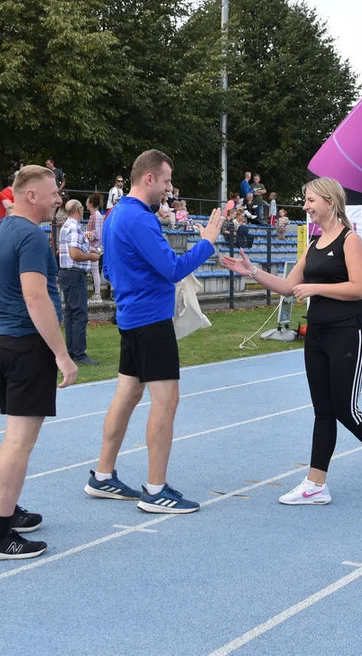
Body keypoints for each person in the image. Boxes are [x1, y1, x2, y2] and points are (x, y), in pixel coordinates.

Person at [222, 177, 362, 505]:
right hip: (318, 333)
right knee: (323, 411)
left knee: (345, 409)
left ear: (329, 202)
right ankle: (316, 484)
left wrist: (317, 289)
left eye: (310, 200)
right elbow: (287, 287)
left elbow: (361, 288)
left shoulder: (351, 241)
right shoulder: (314, 245)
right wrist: (252, 271)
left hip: (349, 331)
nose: (305, 206)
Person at [83, 149, 223, 513]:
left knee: (127, 395)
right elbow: (172, 268)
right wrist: (207, 241)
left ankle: (102, 475)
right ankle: (155, 489)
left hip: (132, 318)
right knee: (166, 400)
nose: (168, 189)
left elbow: (111, 271)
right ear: (148, 178)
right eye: (164, 181)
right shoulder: (139, 219)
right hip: (149, 321)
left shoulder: (116, 216)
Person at [0, 165, 77, 561]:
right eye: (52, 193)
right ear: (30, 195)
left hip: (2, 341)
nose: (57, 200)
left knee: (16, 436)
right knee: (19, 440)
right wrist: (62, 355)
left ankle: (9, 510)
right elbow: (36, 299)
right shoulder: (31, 236)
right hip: (25, 344)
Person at [58, 199, 100, 366]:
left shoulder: (66, 226)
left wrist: (88, 249)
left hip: (66, 273)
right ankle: (79, 353)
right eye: (82, 208)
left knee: (70, 314)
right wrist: (92, 256)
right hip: (75, 274)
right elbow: (74, 253)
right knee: (80, 314)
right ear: (78, 210)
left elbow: (72, 249)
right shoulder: (74, 227)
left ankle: (71, 350)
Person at [86, 193, 105, 302]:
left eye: (88, 201)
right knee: (93, 270)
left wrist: (86, 234)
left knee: (94, 270)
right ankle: (96, 293)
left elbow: (97, 234)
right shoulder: (94, 216)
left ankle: (97, 295)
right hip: (93, 246)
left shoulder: (96, 216)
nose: (86, 204)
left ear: (91, 204)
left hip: (95, 247)